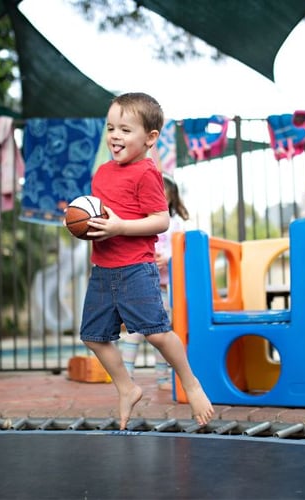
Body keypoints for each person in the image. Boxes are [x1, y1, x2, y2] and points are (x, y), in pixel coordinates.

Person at [79, 92, 214, 430]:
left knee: (156, 333)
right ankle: (128, 387)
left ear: (150, 138)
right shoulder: (101, 173)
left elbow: (160, 220)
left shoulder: (146, 173)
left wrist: (121, 227)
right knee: (93, 335)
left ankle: (191, 383)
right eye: (111, 128)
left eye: (125, 130)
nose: (115, 136)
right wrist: (84, 225)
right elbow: (100, 216)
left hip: (136, 269)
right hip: (103, 270)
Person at [120, 173, 190, 391]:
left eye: (163, 196)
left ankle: (162, 378)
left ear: (170, 199)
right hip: (141, 285)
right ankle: (126, 377)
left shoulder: (176, 224)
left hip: (163, 288)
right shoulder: (141, 222)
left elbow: (183, 251)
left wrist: (169, 258)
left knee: (161, 333)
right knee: (135, 332)